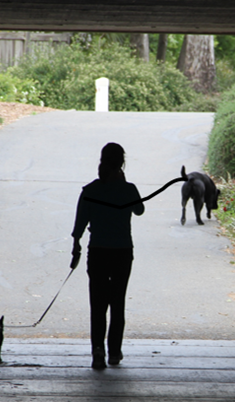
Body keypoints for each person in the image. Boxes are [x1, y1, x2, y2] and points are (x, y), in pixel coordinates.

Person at [71, 142, 145, 369]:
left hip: (98, 252)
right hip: (122, 252)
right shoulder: (128, 189)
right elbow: (139, 210)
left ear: (102, 161)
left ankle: (97, 352)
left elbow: (80, 224)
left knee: (98, 304)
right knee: (117, 303)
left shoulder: (90, 190)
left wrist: (76, 249)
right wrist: (123, 185)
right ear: (122, 163)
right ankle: (114, 352)